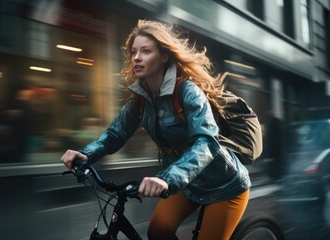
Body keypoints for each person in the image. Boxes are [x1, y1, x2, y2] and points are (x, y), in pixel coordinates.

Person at [61, 20, 251, 240]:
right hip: (188, 185)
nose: (137, 58)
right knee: (158, 232)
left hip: (225, 186)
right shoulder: (141, 101)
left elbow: (206, 143)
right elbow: (115, 135)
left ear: (163, 56)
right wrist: (86, 154)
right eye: (133, 52)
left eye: (145, 51)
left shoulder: (188, 92)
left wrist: (167, 179)